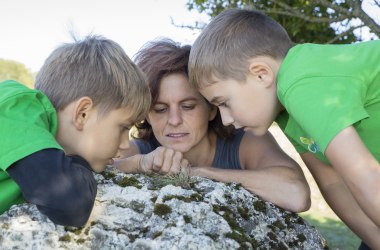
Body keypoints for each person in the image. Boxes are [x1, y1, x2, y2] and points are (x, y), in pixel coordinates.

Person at [187, 8, 380, 249]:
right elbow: (333, 184)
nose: (225, 119)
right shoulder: (288, 113)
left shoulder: (301, 83)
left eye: (224, 103)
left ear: (261, 74)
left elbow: (365, 176)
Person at [114, 38, 310, 213]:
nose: (174, 120)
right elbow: (94, 167)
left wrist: (199, 173)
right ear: (146, 114)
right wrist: (139, 163)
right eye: (160, 109)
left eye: (188, 106)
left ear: (212, 108)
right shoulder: (142, 148)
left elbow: (296, 193)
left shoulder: (244, 140)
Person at [0, 35, 151, 227]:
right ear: (82, 114)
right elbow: (70, 203)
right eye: (123, 128)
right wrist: (80, 162)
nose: (125, 143)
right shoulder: (14, 107)